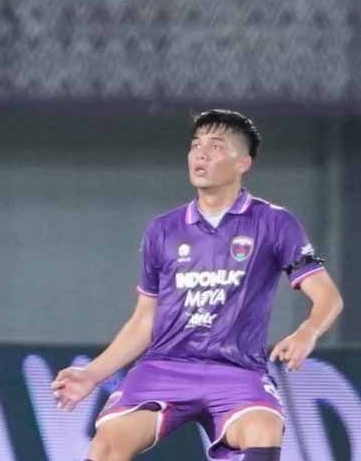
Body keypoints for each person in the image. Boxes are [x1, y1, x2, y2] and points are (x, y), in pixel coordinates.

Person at [51, 110, 344, 461]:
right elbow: (146, 319)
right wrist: (91, 375)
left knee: (263, 429)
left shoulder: (276, 223)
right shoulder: (162, 230)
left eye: (216, 146)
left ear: (243, 163)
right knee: (108, 443)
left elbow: (328, 297)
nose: (200, 154)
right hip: (164, 368)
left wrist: (307, 332)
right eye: (195, 146)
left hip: (237, 371)